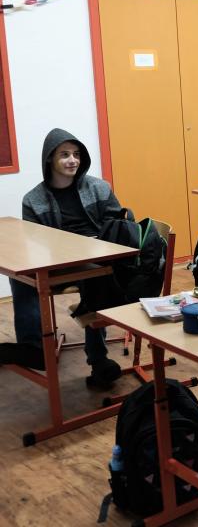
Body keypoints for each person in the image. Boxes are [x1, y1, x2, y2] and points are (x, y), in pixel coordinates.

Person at [0, 129, 123, 385]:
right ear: (50, 159)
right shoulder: (33, 199)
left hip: (98, 260)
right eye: (64, 155)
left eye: (76, 154)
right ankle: (34, 348)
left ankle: (98, 360)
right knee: (21, 276)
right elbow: (33, 243)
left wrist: (95, 244)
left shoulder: (99, 188)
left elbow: (118, 225)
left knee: (93, 276)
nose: (72, 160)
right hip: (57, 263)